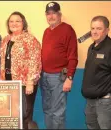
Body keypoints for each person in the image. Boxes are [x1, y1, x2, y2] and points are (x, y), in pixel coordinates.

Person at [0, 11, 42, 129]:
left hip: (24, 84)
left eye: (17, 21)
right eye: (11, 21)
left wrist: (30, 82)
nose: (14, 23)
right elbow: (3, 60)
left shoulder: (30, 39)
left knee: (25, 114)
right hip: (8, 84)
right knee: (11, 114)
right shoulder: (5, 39)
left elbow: (35, 61)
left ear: (23, 23)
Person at [40, 1, 78, 129]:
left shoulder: (67, 29)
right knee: (47, 110)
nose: (51, 16)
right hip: (44, 76)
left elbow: (73, 57)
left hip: (58, 78)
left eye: (54, 13)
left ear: (59, 14)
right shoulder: (46, 31)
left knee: (57, 113)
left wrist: (70, 78)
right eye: (48, 14)